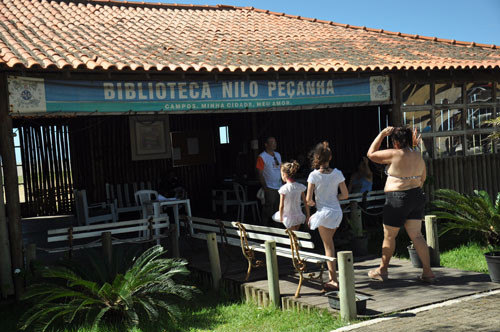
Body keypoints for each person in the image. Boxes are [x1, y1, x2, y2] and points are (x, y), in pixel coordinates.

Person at [366, 126, 435, 283]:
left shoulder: (394, 154)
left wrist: (382, 134)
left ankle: (382, 270)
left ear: (395, 141)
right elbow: (422, 178)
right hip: (416, 195)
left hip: (397, 198)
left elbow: (371, 154)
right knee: (417, 235)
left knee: (389, 236)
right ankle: (428, 272)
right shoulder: (418, 155)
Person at [306, 142, 349, 291]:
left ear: (317, 158)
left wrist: (314, 203)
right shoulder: (337, 173)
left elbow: (308, 199)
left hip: (323, 214)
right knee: (330, 244)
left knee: (328, 246)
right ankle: (333, 278)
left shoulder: (313, 175)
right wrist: (334, 198)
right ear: (330, 157)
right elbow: (345, 194)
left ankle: (333, 280)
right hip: (337, 213)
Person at [272, 161, 310, 231]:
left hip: (287, 217)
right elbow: (305, 202)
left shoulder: (284, 189)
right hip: (298, 215)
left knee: (293, 236)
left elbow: (281, 205)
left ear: (284, 174)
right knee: (295, 234)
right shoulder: (300, 187)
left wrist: (281, 217)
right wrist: (308, 215)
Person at [256, 137, 282, 225]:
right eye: (271, 142)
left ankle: (277, 228)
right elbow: (260, 173)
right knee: (268, 209)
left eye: (275, 142)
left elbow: (281, 169)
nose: (274, 144)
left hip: (279, 186)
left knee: (278, 209)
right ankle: (264, 227)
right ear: (266, 145)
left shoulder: (278, 155)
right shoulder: (262, 157)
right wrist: (265, 187)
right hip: (269, 187)